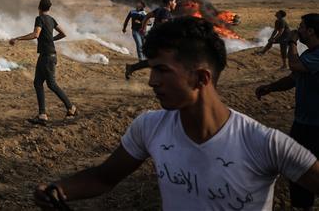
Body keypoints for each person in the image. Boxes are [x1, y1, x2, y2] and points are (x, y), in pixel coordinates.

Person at [33, 17, 319, 211]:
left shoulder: (265, 144)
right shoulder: (149, 127)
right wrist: (59, 189)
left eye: (162, 71)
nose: (152, 82)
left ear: (201, 78)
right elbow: (104, 177)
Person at [256, 13, 319, 211]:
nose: (298, 30)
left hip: (315, 125)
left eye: (301, 27)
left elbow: (294, 65)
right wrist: (269, 88)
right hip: (303, 123)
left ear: (310, 30)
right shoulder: (310, 54)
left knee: (302, 168)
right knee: (300, 169)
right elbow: (293, 78)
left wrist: (292, 42)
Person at [9, 0, 78, 125]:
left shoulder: (39, 19)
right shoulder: (51, 19)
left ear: (39, 7)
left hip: (47, 57)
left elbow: (36, 34)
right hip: (46, 56)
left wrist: (17, 38)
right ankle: (42, 115)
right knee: (37, 83)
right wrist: (51, 39)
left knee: (52, 84)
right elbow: (63, 33)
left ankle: (70, 107)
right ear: (48, 8)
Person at [126, 0, 178, 79]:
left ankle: (131, 68)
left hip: (155, 38)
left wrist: (143, 28)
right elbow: (165, 25)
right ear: (170, 2)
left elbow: (147, 16)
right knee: (164, 59)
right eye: (175, 2)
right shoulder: (166, 12)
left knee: (156, 60)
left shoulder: (159, 10)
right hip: (160, 39)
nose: (176, 4)